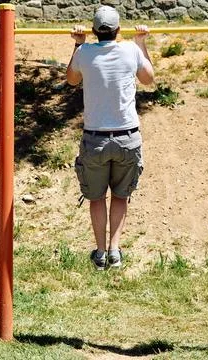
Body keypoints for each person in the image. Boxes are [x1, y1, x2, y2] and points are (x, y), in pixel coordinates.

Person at [66, 5, 154, 270]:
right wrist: (141, 43)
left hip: (95, 140)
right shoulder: (130, 50)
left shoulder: (84, 52)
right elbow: (149, 79)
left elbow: (71, 80)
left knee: (96, 198)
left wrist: (77, 45)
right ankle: (115, 251)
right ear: (118, 30)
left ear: (94, 31)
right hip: (127, 137)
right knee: (119, 196)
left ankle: (101, 253)